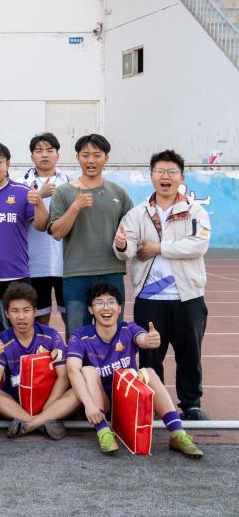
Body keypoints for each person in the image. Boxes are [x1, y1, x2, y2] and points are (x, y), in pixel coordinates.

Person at [114, 149, 212, 421]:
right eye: (160, 171)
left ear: (181, 177)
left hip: (188, 295)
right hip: (150, 297)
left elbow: (198, 245)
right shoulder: (137, 213)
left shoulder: (195, 211)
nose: (165, 176)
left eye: (171, 172)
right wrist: (121, 245)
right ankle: (153, 403)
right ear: (151, 176)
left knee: (190, 353)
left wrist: (158, 247)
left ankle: (191, 404)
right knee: (150, 354)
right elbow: (127, 249)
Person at [65, 282, 203, 458]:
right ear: (91, 309)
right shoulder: (80, 336)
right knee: (88, 371)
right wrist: (89, 405)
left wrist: (150, 339)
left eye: (111, 302)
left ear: (119, 308)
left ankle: (178, 434)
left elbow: (143, 339)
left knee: (149, 372)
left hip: (128, 402)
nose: (106, 308)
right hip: (100, 404)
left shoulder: (128, 329)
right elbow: (72, 370)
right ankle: (103, 432)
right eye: (99, 303)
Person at [48, 134, 133, 335]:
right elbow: (57, 233)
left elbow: (132, 232)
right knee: (77, 334)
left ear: (106, 158)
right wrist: (75, 207)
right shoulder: (63, 192)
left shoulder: (118, 193)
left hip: (111, 271)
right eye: (85, 155)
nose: (91, 160)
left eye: (97, 155)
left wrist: (124, 243)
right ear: (77, 158)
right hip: (76, 274)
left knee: (114, 333)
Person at [0, 142, 48, 336]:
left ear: (8, 164)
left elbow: (41, 225)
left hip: (16, 275)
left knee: (19, 332)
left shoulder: (22, 192)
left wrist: (39, 204)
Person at [0, 282, 77, 440]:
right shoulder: (2, 340)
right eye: (15, 311)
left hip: (49, 401)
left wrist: (47, 409)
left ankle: (28, 425)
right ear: (7, 314)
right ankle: (41, 423)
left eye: (26, 310)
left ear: (35, 312)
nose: (21, 316)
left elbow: (63, 377)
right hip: (17, 405)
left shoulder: (51, 336)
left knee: (76, 392)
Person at [21, 133, 70, 327]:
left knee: (71, 317)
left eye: (50, 150)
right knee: (39, 318)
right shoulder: (20, 183)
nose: (44, 155)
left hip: (66, 262)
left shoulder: (71, 183)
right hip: (33, 263)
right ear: (32, 155)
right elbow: (16, 214)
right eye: (39, 151)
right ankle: (41, 348)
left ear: (58, 155)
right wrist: (39, 195)